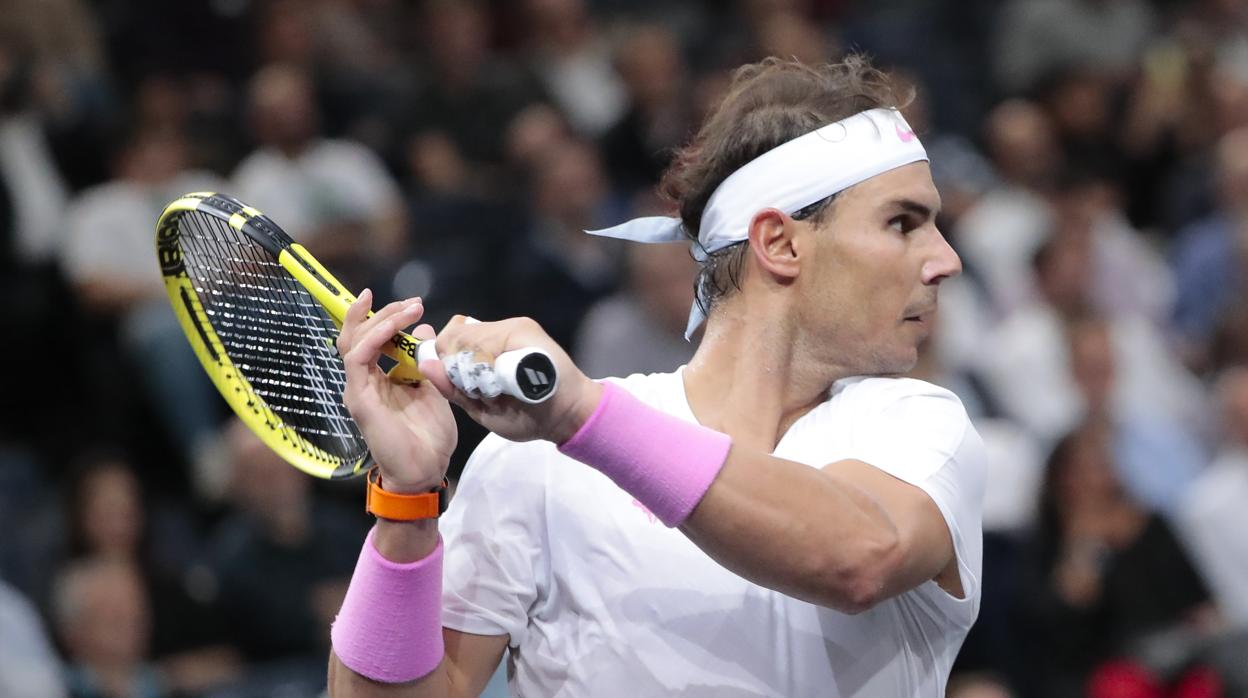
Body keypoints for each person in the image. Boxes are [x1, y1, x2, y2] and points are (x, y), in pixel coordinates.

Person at [328, 56, 984, 696]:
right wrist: (408, 502)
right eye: (903, 223)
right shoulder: (534, 466)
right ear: (780, 244)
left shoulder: (919, 427)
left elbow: (859, 557)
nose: (945, 260)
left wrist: (579, 417)